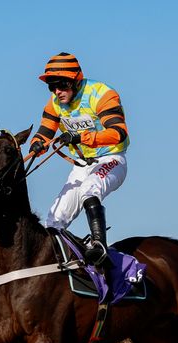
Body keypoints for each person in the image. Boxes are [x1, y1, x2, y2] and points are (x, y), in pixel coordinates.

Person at [29, 52, 130, 267]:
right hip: (81, 166)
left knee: (89, 190)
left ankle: (99, 245)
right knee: (53, 220)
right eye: (52, 86)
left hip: (110, 159)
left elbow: (118, 132)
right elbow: (45, 132)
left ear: (75, 80)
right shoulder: (54, 103)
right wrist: (37, 144)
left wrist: (81, 137)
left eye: (62, 85)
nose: (57, 91)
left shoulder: (102, 94)